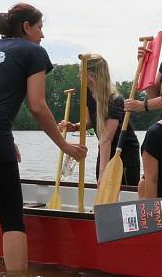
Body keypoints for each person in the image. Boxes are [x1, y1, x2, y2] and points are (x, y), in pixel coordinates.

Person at [0, 3, 88, 271]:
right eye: (40, 28)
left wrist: (5, 139)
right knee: (11, 216)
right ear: (26, 27)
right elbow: (37, 105)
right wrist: (64, 145)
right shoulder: (33, 51)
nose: (42, 35)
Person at [60, 54, 140, 186]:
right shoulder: (88, 92)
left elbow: (106, 138)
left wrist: (103, 174)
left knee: (114, 187)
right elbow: (89, 122)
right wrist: (74, 126)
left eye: (81, 73)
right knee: (102, 184)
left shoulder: (114, 100)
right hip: (105, 148)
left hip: (124, 152)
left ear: (92, 75)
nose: (78, 76)